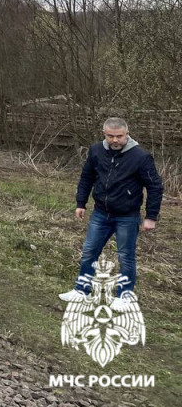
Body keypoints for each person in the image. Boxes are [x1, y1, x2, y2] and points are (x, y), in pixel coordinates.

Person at [59, 118, 162, 309]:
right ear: (104, 133)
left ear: (127, 133)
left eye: (119, 136)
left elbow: (155, 186)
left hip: (127, 216)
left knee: (125, 256)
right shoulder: (96, 150)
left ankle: (125, 296)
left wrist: (151, 216)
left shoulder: (140, 156)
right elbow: (87, 177)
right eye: (110, 136)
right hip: (100, 213)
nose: (115, 140)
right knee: (89, 251)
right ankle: (81, 291)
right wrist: (80, 203)